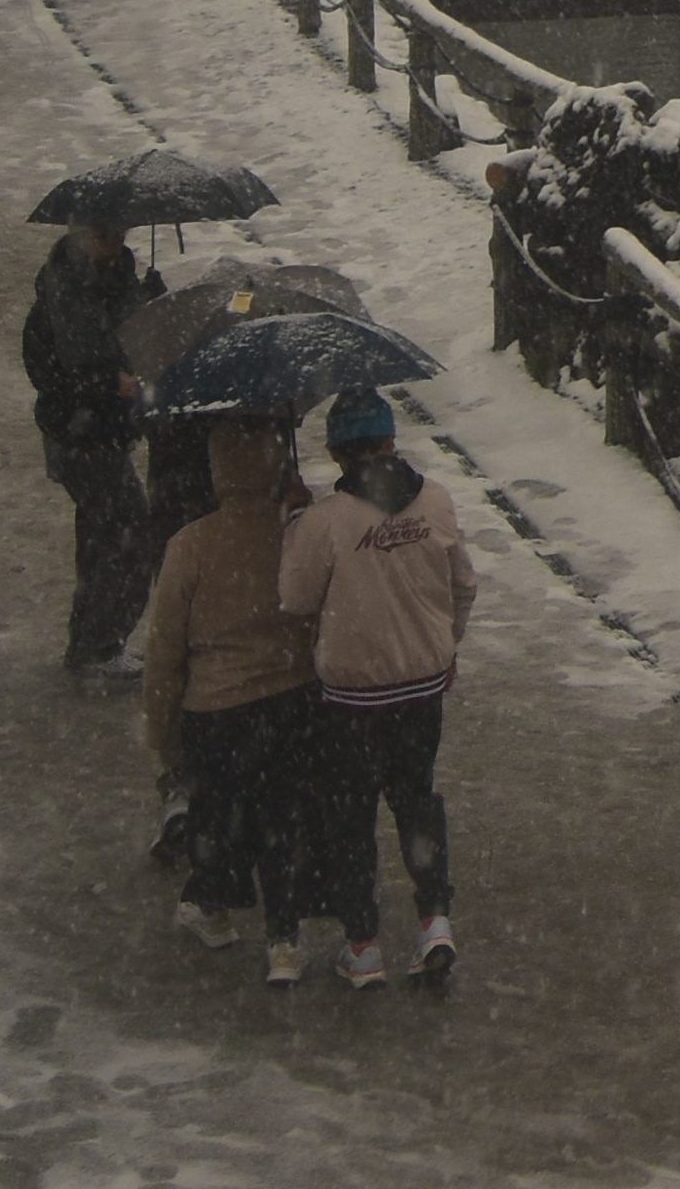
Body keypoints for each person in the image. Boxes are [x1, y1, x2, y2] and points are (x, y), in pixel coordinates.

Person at [277, 390, 475, 987]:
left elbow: (295, 599)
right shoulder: (436, 502)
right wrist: (445, 645)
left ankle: (362, 944)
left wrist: (295, 526)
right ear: (392, 443)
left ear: (337, 453)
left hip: (352, 699)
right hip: (422, 689)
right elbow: (463, 585)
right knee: (416, 800)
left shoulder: (325, 522)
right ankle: (434, 919)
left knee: (351, 813)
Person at [141, 420, 349, 987]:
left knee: (221, 813)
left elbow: (165, 649)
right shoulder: (295, 536)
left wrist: (161, 727)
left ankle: (214, 905)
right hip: (291, 700)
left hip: (217, 711)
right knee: (285, 818)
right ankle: (284, 939)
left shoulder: (190, 545)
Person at [23, 216, 158, 683]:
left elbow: (134, 340)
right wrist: (105, 384)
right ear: (79, 237)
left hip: (105, 434)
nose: (116, 244)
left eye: (120, 234)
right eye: (104, 236)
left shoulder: (119, 284)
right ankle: (99, 644)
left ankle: (90, 645)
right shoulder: (59, 300)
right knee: (130, 533)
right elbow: (49, 372)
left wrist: (152, 301)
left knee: (103, 537)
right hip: (80, 437)